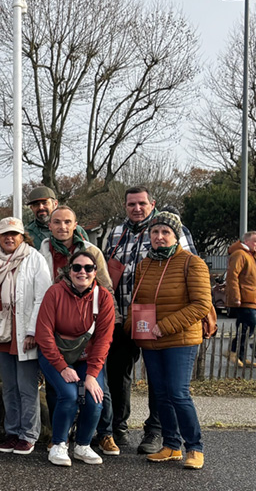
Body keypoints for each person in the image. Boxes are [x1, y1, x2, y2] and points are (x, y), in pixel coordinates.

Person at [105, 187, 198, 454]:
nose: (137, 208)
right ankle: (117, 428)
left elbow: (190, 267)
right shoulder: (115, 233)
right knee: (118, 374)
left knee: (158, 380)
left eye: (142, 203)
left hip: (159, 321)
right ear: (125, 206)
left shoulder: (169, 228)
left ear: (152, 203)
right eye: (131, 204)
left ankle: (155, 432)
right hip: (123, 317)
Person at [125, 212, 211, 470]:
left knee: (178, 393)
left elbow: (201, 305)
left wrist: (165, 326)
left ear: (176, 236)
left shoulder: (192, 263)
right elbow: (137, 300)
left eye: (165, 233)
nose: (159, 237)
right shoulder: (144, 264)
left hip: (180, 340)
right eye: (155, 232)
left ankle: (194, 447)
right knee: (161, 394)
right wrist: (133, 325)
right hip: (151, 340)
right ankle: (171, 445)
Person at [37, 205, 116, 456]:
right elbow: (44, 333)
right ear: (68, 271)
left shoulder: (102, 296)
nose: (82, 272)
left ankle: (83, 444)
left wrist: (92, 374)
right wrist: (61, 366)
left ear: (95, 272)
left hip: (86, 354)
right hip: (56, 353)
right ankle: (59, 443)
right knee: (68, 396)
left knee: (95, 397)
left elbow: (103, 339)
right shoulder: (54, 290)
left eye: (88, 269)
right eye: (77, 268)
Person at [0, 217, 52, 455]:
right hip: (1, 332)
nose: (9, 238)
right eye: (4, 234)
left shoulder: (34, 259)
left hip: (24, 333)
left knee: (27, 387)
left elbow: (43, 298)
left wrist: (34, 331)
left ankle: (28, 434)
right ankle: (12, 432)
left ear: (23, 236)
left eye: (14, 234)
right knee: (9, 387)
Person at [225, 231, 256, 367]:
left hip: (251, 299)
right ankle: (233, 351)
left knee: (246, 327)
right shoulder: (240, 254)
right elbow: (232, 277)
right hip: (245, 299)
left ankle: (240, 356)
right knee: (248, 325)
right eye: (255, 241)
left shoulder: (251, 256)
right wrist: (236, 297)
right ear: (246, 241)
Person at [26, 186, 90, 249]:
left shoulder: (76, 230)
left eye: (44, 203)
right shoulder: (26, 233)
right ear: (31, 208)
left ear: (55, 204)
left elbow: (89, 254)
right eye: (36, 204)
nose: (41, 207)